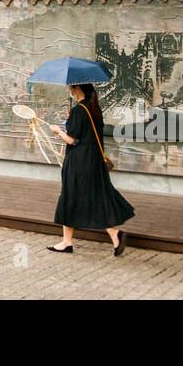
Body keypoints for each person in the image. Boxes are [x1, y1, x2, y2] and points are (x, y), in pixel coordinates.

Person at [48, 82, 134, 256]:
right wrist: (72, 120)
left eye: (71, 88)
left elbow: (72, 140)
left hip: (78, 162)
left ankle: (112, 233)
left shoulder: (79, 110)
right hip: (93, 161)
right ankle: (68, 241)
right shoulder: (93, 108)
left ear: (78, 89)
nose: (70, 91)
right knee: (87, 197)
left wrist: (58, 131)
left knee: (70, 196)